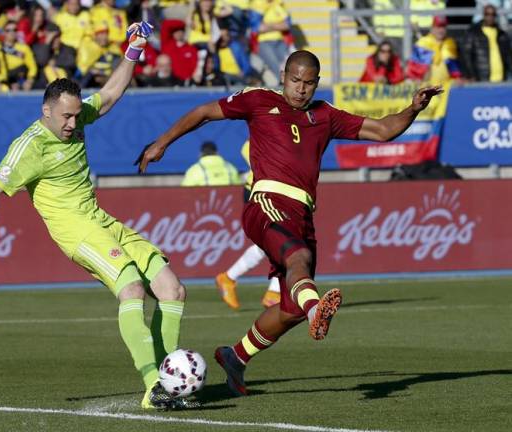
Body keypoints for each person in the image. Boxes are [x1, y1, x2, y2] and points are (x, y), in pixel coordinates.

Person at [136, 49, 442, 396]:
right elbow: (206, 112)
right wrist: (162, 142)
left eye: (308, 83)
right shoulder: (258, 100)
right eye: (295, 80)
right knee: (300, 260)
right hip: (266, 201)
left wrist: (414, 108)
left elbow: (384, 130)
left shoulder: (325, 116)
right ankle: (317, 311)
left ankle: (235, 357)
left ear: (316, 84)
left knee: (289, 309)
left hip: (302, 214)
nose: (300, 89)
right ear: (283, 77)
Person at [0, 22, 196, 411]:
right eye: (65, 117)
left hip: (101, 220)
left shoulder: (75, 120)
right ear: (46, 110)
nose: (73, 125)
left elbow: (109, 96)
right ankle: (154, 387)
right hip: (75, 231)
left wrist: (134, 49)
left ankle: (170, 381)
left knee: (172, 289)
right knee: (131, 289)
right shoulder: (30, 145)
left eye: (77, 116)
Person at [215, 140, 280, 310]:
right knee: (286, 243)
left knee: (276, 244)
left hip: (277, 191)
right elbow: (247, 148)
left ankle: (229, 278)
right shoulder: (269, 128)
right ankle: (273, 293)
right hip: (262, 191)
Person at [461, 4, 512, 82]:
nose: (490, 17)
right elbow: (466, 56)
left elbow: (508, 57)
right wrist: (471, 75)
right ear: (483, 15)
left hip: (501, 80)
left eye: (493, 14)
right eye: (487, 14)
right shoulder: (473, 33)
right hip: (481, 80)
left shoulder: (502, 35)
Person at [406, 15, 462, 85]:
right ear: (432, 28)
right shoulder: (423, 43)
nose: (441, 30)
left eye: (443, 27)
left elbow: (454, 66)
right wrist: (415, 79)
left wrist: (457, 77)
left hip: (447, 87)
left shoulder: (450, 43)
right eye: (438, 27)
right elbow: (414, 68)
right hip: (427, 86)